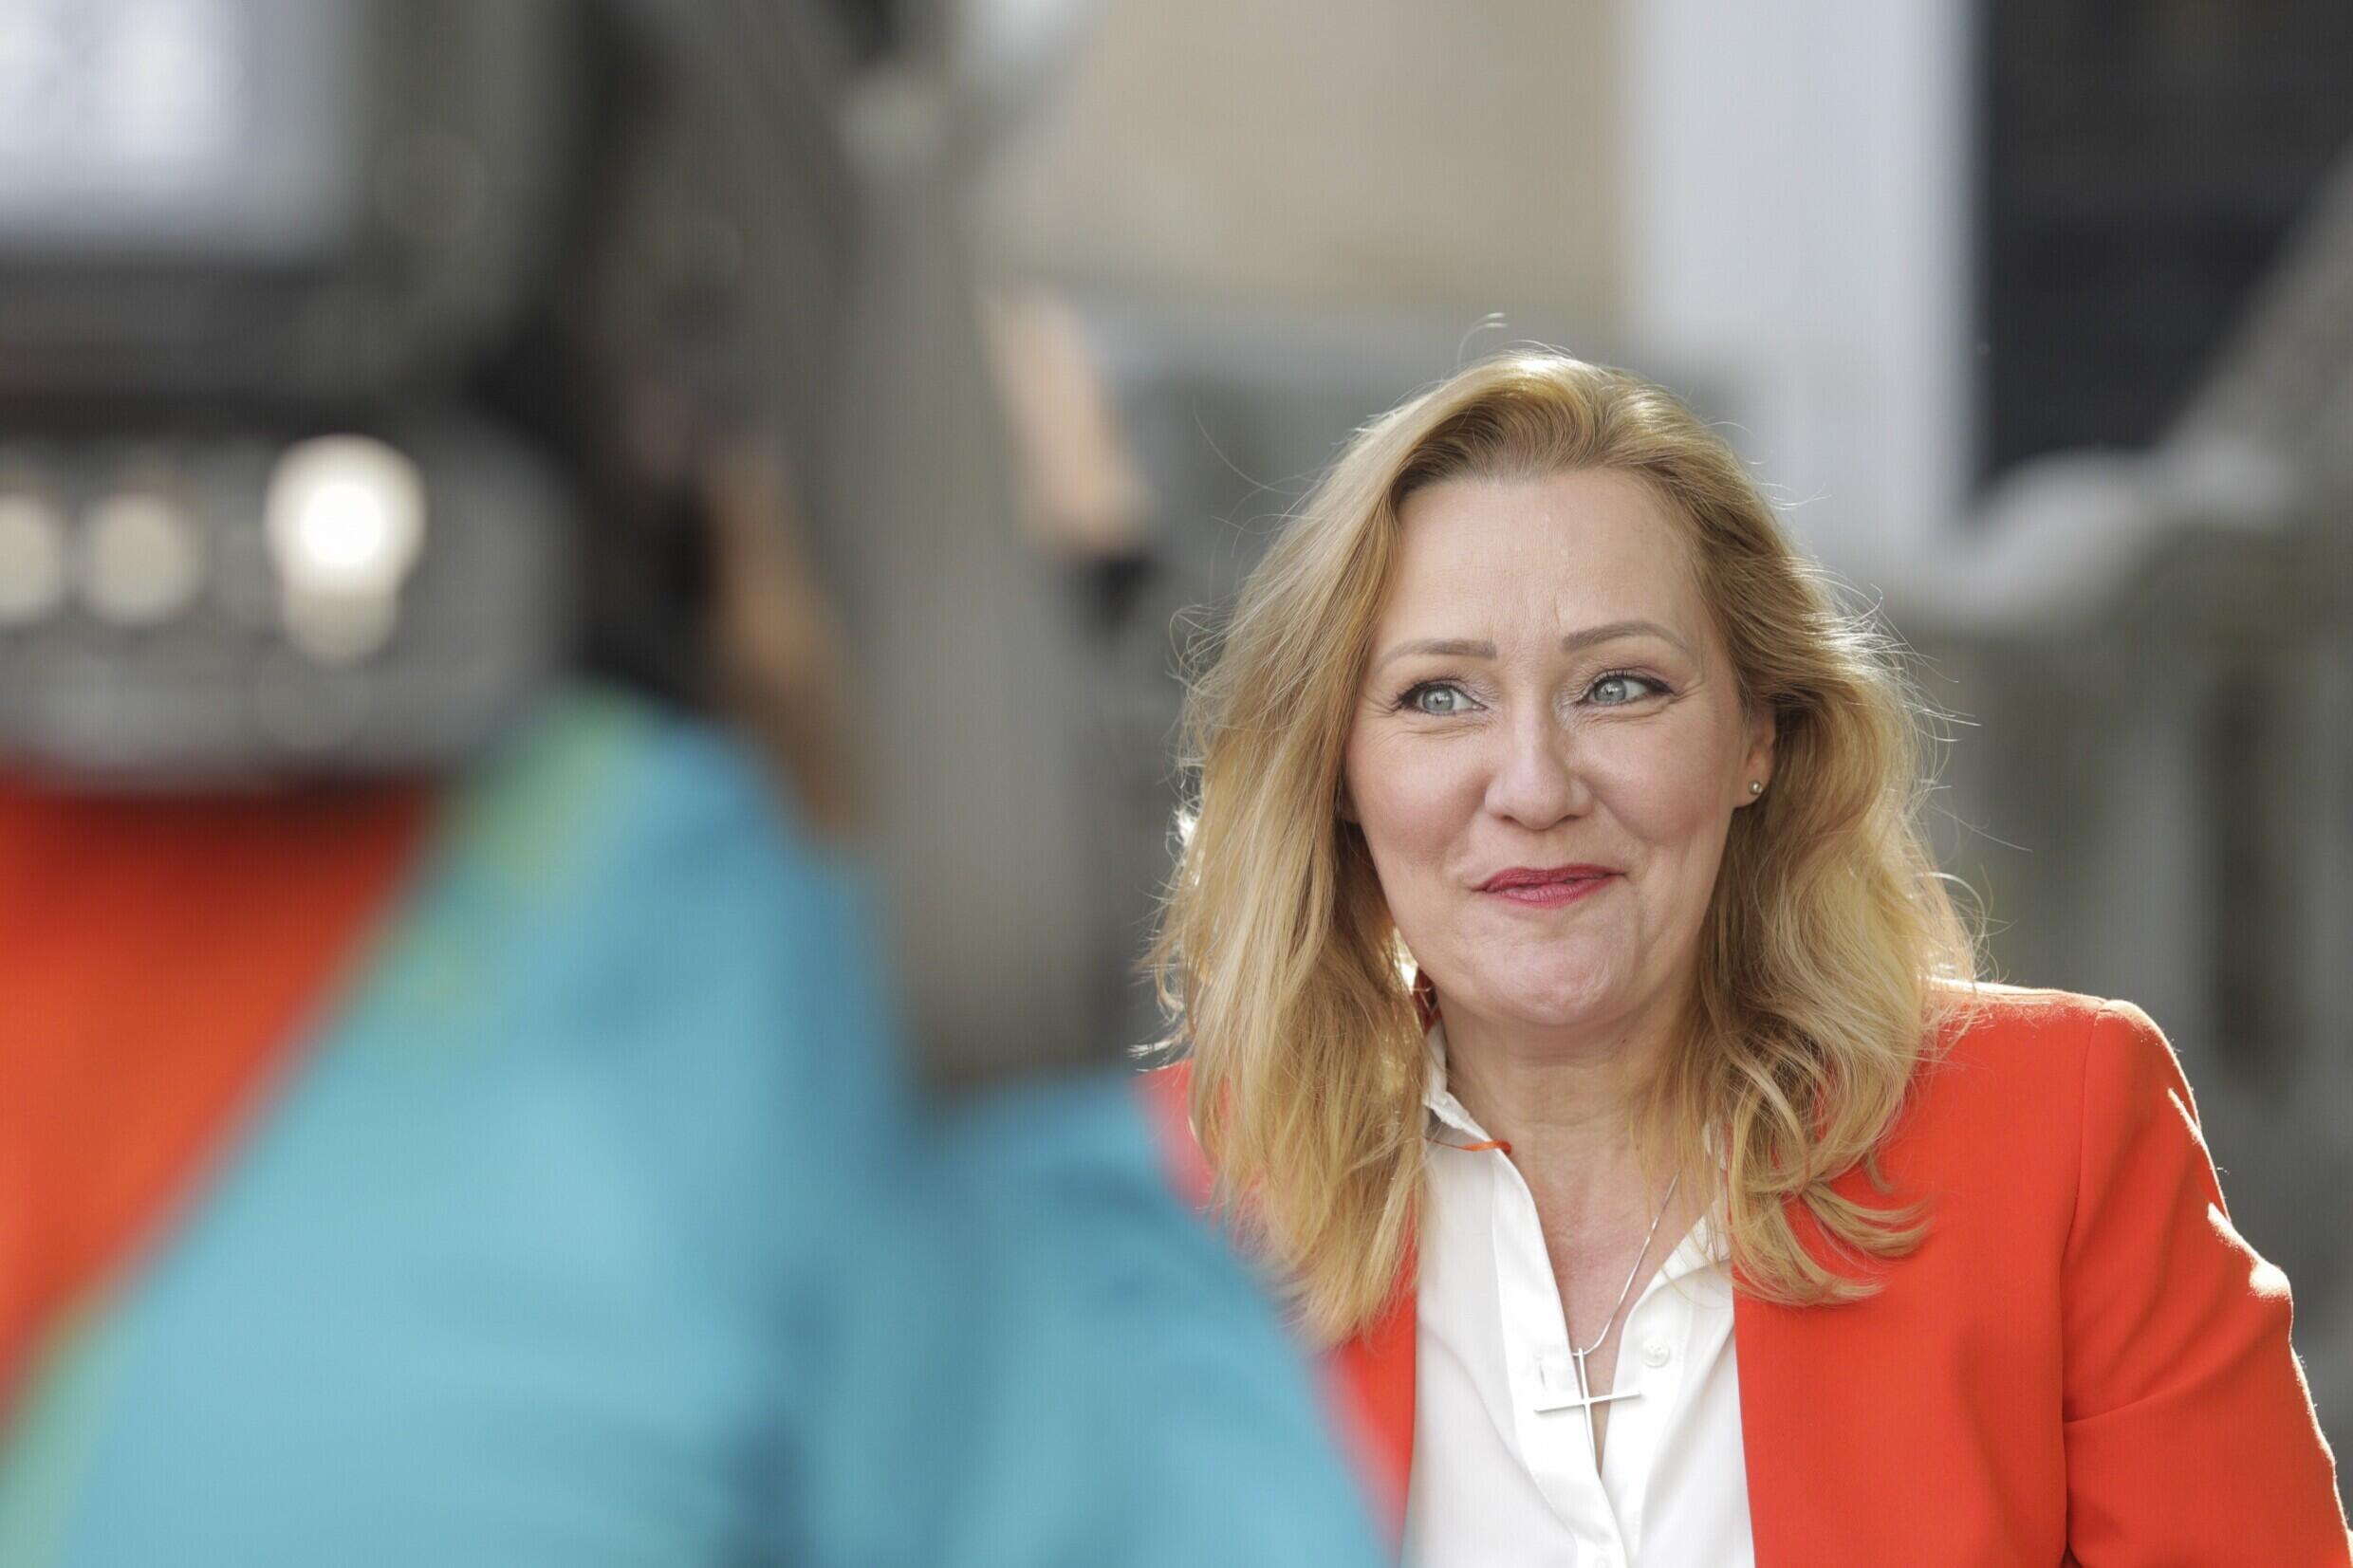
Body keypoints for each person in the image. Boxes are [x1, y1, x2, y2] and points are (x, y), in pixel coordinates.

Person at [1140, 350, 2351, 1565]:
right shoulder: (1156, 1208)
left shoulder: (2056, 1138)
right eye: (1439, 697)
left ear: (1756, 736)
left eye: (1618, 686)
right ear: (1337, 773)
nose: (1534, 786)